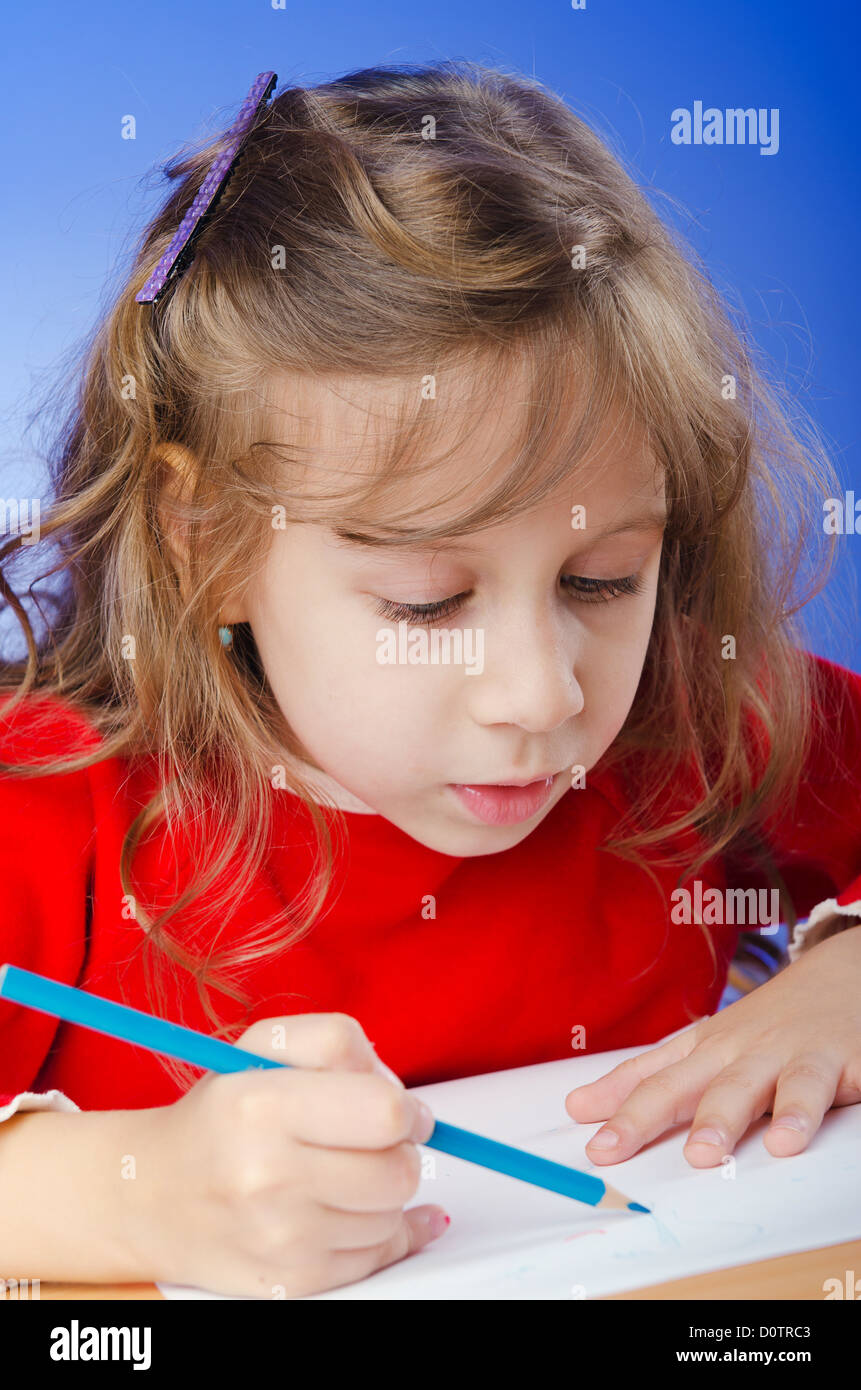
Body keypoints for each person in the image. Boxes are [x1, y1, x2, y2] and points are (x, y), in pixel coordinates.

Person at [0, 60, 859, 1299]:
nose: (542, 694)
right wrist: (130, 1193)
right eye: (428, 602)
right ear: (211, 545)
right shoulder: (52, 811)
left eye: (603, 578)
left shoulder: (696, 719)